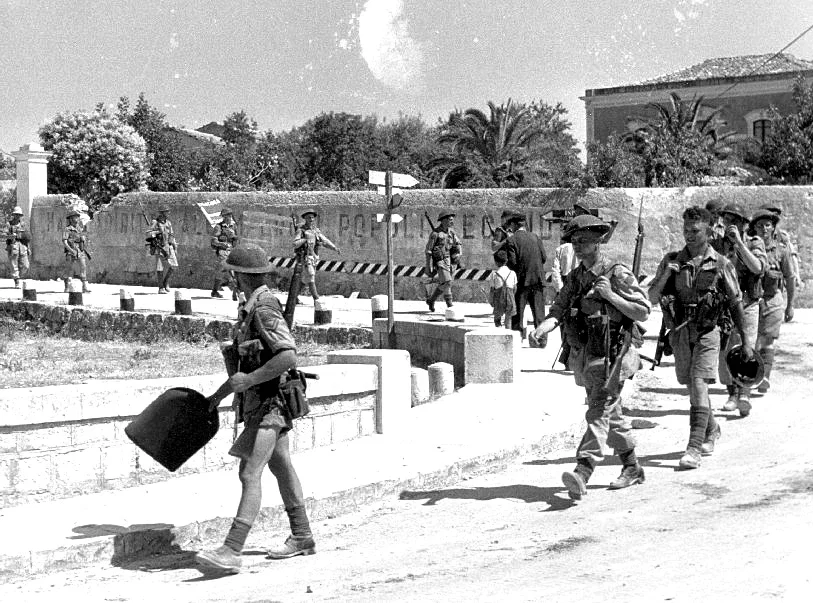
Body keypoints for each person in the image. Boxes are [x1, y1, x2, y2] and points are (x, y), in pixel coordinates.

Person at [196, 244, 315, 574]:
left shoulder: (263, 309)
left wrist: (249, 381)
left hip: (270, 404)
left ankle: (232, 549)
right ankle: (303, 535)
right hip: (260, 402)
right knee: (282, 466)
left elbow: (288, 356)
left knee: (250, 472)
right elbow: (242, 371)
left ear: (237, 277)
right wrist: (217, 396)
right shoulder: (251, 308)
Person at [529, 214, 650, 500]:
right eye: (574, 241)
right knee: (612, 414)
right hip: (588, 356)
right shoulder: (576, 277)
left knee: (598, 411)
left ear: (598, 241)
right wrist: (542, 328)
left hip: (612, 356)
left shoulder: (616, 273)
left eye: (584, 241)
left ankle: (582, 471)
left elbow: (643, 310)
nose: (578, 246)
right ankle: (632, 467)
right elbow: (558, 309)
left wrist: (611, 297)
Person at [648, 206, 755, 470]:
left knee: (698, 383)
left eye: (695, 231)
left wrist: (747, 342)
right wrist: (665, 276)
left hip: (709, 330)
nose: (689, 235)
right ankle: (712, 429)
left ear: (708, 232)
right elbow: (650, 298)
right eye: (686, 230)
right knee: (693, 388)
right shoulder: (672, 260)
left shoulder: (721, 263)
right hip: (681, 333)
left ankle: (693, 448)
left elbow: (735, 304)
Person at [712, 203, 766, 417]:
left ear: (744, 224)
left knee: (747, 347)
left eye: (735, 220)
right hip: (725, 305)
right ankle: (732, 394)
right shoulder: (717, 244)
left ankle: (745, 393)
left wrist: (740, 244)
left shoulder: (754, 243)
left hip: (748, 304)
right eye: (727, 220)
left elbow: (758, 267)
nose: (730, 224)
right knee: (725, 351)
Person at [751, 209, 795, 394]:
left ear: (773, 228)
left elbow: (790, 277)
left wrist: (790, 304)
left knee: (767, 340)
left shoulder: (781, 251)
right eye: (759, 226)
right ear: (753, 228)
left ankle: (765, 377)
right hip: (752, 300)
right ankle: (750, 377)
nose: (764, 229)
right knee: (753, 342)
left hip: (772, 300)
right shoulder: (748, 249)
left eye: (767, 225)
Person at [505, 213, 548, 338]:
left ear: (514, 224)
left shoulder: (511, 240)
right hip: (538, 279)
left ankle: (517, 340)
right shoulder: (535, 237)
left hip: (521, 281)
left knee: (517, 313)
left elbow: (512, 263)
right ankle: (541, 339)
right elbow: (544, 258)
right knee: (539, 313)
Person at [293, 210, 340, 302]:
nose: (311, 219)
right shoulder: (301, 230)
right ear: (305, 218)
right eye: (309, 217)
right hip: (305, 257)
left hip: (314, 257)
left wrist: (334, 248)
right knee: (311, 275)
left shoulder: (315, 231)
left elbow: (325, 241)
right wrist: (304, 240)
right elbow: (295, 243)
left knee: (305, 279)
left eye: (312, 217)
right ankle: (316, 298)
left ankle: (294, 296)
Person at [424, 212, 461, 311]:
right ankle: (449, 304)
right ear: (443, 220)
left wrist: (458, 254)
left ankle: (431, 300)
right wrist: (428, 266)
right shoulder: (435, 234)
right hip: (440, 261)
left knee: (445, 283)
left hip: (450, 261)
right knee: (448, 282)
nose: (452, 221)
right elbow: (428, 251)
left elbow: (458, 243)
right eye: (450, 219)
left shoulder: (451, 232)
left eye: (452, 219)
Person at [145, 207, 178, 294]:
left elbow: (172, 234)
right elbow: (148, 234)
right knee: (160, 267)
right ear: (162, 213)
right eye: (167, 212)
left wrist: (174, 246)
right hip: (158, 246)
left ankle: (165, 281)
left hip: (168, 246)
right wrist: (156, 232)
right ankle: (161, 287)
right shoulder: (155, 222)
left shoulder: (168, 223)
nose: (169, 213)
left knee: (174, 265)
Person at [210, 208, 239, 299]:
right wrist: (221, 244)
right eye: (227, 215)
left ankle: (215, 291)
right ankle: (234, 288)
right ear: (223, 217)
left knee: (221, 272)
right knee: (227, 270)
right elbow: (214, 240)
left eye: (230, 215)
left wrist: (233, 236)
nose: (229, 217)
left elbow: (236, 240)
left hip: (231, 251)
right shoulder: (219, 227)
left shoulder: (233, 227)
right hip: (222, 251)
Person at [61, 209, 91, 293]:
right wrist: (70, 250)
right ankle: (66, 287)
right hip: (71, 250)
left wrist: (83, 240)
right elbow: (64, 241)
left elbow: (83, 239)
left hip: (80, 250)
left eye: (78, 217)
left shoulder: (79, 229)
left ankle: (85, 287)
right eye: (75, 217)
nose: (77, 218)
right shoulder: (67, 229)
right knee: (68, 269)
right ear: (70, 219)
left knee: (83, 267)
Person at [488, 252, 517, 328]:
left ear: (496, 262)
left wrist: (491, 300)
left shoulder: (494, 274)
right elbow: (515, 288)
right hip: (510, 298)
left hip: (499, 299)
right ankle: (508, 333)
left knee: (497, 318)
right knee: (508, 319)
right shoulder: (512, 273)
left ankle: (499, 329)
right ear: (506, 260)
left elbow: (492, 289)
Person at [5, 206, 30, 288]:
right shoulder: (9, 224)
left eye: (19, 215)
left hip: (23, 245)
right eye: (16, 214)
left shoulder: (23, 225)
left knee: (26, 265)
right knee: (13, 263)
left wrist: (28, 248)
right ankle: (16, 280)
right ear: (13, 215)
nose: (17, 216)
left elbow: (27, 237)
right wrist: (11, 236)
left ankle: (19, 275)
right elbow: (4, 235)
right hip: (13, 245)